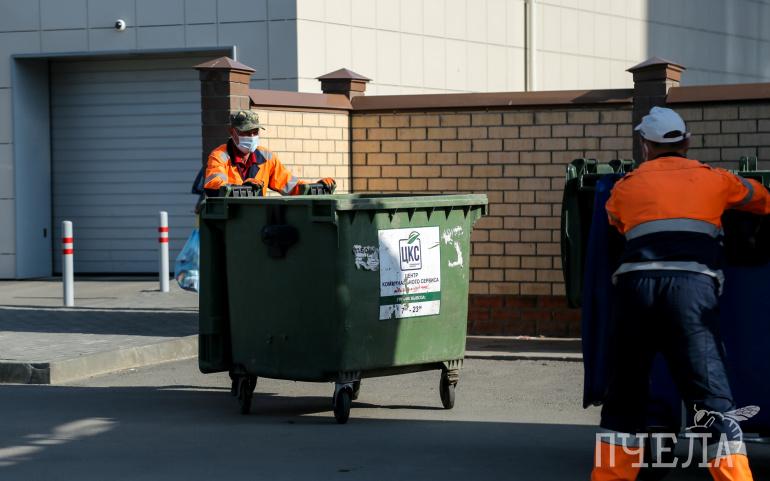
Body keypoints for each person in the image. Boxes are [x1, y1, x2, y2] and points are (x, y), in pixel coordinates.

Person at [591, 107, 770, 481]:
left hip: (635, 291)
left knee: (625, 391)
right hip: (691, 289)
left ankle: (611, 476)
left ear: (645, 145)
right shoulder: (716, 180)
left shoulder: (624, 187)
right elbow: (761, 198)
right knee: (710, 392)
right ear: (686, 141)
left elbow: (615, 223)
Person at [203, 110, 335, 196]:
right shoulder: (219, 155)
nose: (252, 136)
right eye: (246, 132)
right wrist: (242, 188)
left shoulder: (266, 156)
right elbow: (213, 186)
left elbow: (290, 185)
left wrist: (318, 187)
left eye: (255, 132)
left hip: (258, 218)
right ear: (232, 132)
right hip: (231, 219)